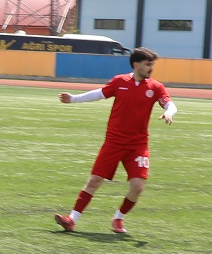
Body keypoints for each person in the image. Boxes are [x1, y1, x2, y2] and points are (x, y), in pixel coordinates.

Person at [53, 47, 175, 236]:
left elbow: (170, 103)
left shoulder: (155, 87)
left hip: (138, 146)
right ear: (136, 65)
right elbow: (99, 93)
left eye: (152, 65)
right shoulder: (120, 81)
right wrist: (73, 99)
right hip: (114, 142)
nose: (151, 68)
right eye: (148, 64)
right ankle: (71, 220)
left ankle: (118, 217)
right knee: (95, 180)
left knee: (138, 187)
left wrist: (169, 112)